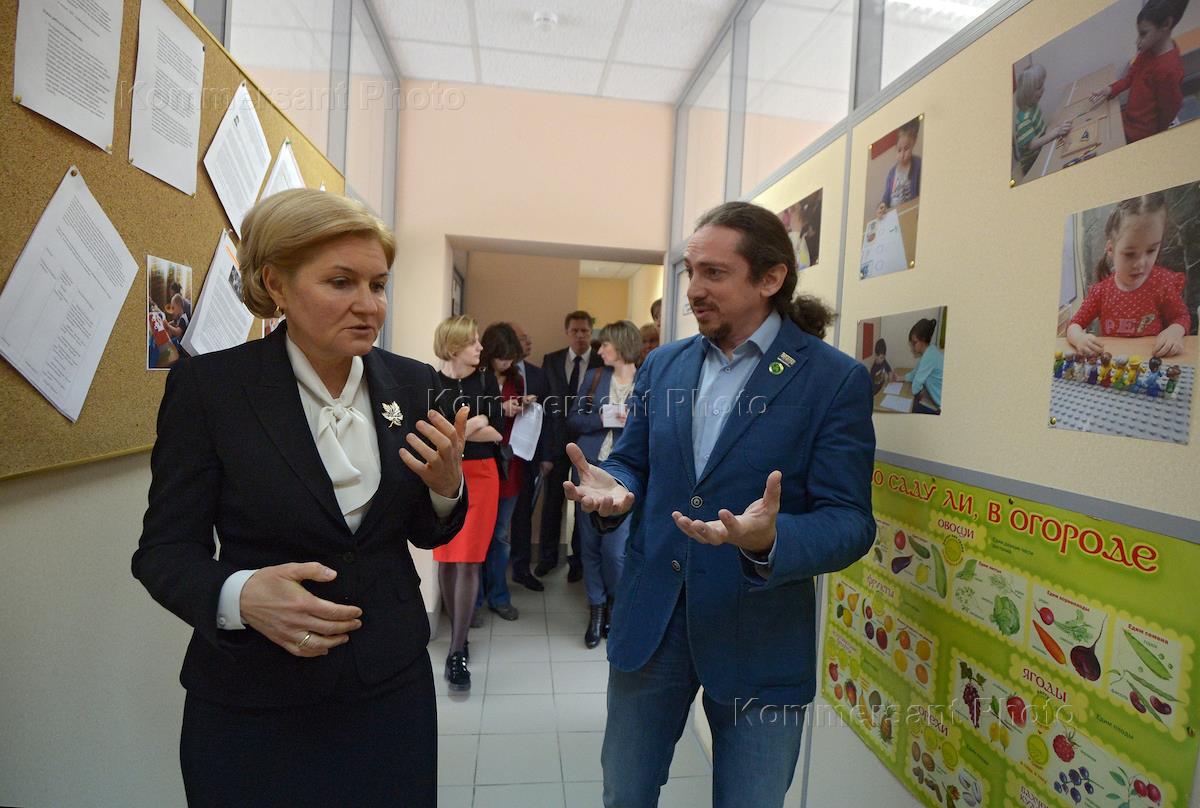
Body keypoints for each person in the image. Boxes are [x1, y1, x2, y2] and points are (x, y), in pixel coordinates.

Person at [131, 188, 469, 808]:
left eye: (378, 285)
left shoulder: (414, 383)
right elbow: (164, 552)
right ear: (276, 284)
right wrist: (240, 596)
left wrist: (447, 491)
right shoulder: (212, 389)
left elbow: (424, 531)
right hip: (257, 698)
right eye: (341, 282)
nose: (369, 305)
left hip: (389, 690)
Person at [565, 201, 876, 807]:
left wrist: (771, 540)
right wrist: (614, 487)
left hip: (760, 632)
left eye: (714, 273)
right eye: (691, 271)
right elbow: (633, 461)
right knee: (624, 793)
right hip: (654, 620)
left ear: (770, 278)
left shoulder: (832, 380)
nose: (693, 290)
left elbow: (850, 521)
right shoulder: (665, 365)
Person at [431, 315, 504, 692]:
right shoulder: (430, 381)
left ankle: (457, 649)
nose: (480, 347)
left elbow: (497, 432)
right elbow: (432, 432)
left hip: (483, 476)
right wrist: (474, 423)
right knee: (446, 559)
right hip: (445, 476)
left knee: (470, 560)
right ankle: (458, 634)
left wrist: (457, 429)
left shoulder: (486, 380)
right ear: (454, 346)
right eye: (473, 342)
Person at [567, 320, 640, 648]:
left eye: (605, 344)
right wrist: (602, 418)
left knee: (615, 551)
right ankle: (596, 609)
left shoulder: (646, 380)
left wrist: (630, 419)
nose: (599, 350)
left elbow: (656, 426)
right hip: (590, 471)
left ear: (622, 344)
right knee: (590, 545)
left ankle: (615, 605)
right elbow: (573, 418)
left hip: (625, 476)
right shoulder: (595, 377)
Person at [1066, 192, 1190, 358]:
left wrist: (1174, 331)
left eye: (1151, 250)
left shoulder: (1163, 284)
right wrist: (1080, 339)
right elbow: (1074, 324)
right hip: (1113, 365)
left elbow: (1181, 317)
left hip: (1152, 363)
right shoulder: (1101, 292)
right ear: (1111, 249)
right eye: (1130, 254)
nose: (1141, 263)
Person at [536, 310, 603, 581]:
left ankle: (577, 562)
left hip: (588, 443)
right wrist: (545, 452)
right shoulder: (551, 360)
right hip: (555, 444)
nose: (580, 336)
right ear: (567, 332)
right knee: (552, 503)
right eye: (575, 331)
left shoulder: (601, 361)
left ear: (591, 332)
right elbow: (543, 408)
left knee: (583, 504)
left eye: (585, 331)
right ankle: (547, 558)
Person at [473, 322, 529, 621]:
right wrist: (500, 409)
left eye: (511, 358)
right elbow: (468, 417)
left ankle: (499, 596)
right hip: (480, 463)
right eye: (502, 357)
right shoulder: (475, 377)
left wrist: (522, 406)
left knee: (501, 536)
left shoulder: (516, 379)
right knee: (477, 535)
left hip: (510, 464)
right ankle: (474, 600)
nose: (507, 363)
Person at [1089, 0, 1187, 143]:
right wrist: (1110, 89)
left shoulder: (1168, 69)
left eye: (1143, 34)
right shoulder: (1147, 51)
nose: (1137, 41)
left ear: (1166, 24)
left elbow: (1170, 109)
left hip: (1141, 134)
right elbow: (1130, 78)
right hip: (1129, 120)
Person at [508, 322, 552, 592]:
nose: (529, 342)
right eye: (524, 338)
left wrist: (547, 456)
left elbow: (548, 418)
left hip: (530, 455)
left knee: (523, 514)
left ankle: (521, 569)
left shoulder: (538, 374)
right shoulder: (493, 373)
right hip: (501, 454)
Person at [1013, 64, 1073, 177]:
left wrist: (1057, 128)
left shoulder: (1033, 106)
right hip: (1032, 163)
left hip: (1042, 151)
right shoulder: (1024, 119)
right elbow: (1032, 145)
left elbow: (1041, 131)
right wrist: (1056, 132)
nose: (1043, 89)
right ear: (1028, 92)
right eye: (1039, 87)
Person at [880, 118, 922, 211]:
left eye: (906, 149)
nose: (902, 154)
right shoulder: (891, 173)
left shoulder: (918, 165)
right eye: (899, 150)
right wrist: (882, 206)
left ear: (913, 144)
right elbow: (886, 198)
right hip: (893, 213)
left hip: (909, 211)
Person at [905, 318, 944, 415]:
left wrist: (920, 391)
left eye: (914, 342)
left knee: (910, 409)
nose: (912, 347)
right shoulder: (930, 351)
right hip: (935, 400)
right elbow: (915, 373)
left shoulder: (929, 356)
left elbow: (915, 387)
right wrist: (899, 378)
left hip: (940, 407)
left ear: (923, 340)